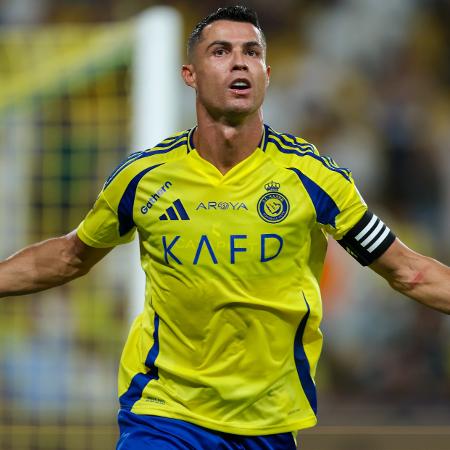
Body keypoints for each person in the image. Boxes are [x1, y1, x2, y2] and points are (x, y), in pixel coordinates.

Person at [1, 5, 449, 450]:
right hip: (164, 415)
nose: (239, 62)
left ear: (267, 74)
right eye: (221, 51)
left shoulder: (315, 180)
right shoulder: (144, 178)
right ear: (189, 74)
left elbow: (408, 271)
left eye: (251, 52)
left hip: (267, 423)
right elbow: (69, 256)